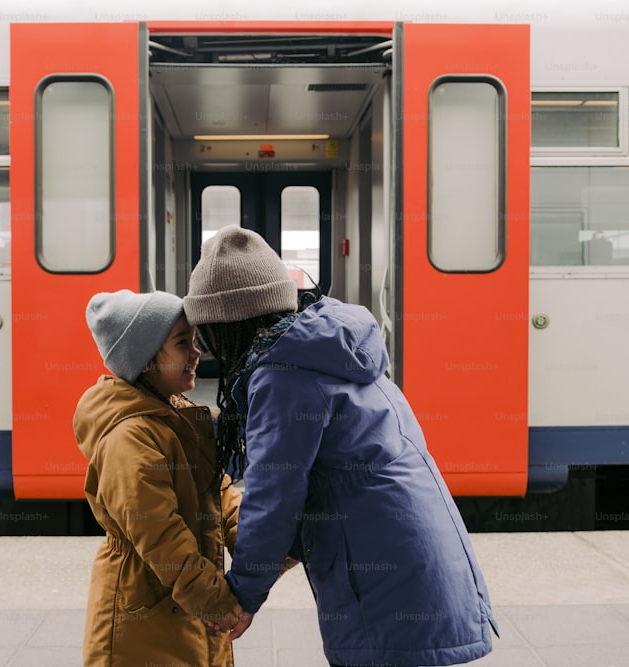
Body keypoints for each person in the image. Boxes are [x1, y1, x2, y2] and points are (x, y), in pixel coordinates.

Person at [184, 227, 499, 667]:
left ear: (230, 324)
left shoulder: (285, 375)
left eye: (207, 332)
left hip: (384, 576)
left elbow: (273, 494)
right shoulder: (331, 346)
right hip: (414, 555)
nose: (203, 346)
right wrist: (289, 551)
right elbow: (331, 469)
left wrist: (243, 593)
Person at [74, 288, 247, 667]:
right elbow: (159, 533)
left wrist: (258, 536)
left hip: (180, 603)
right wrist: (217, 601)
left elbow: (215, 492)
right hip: (141, 618)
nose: (196, 354)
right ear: (147, 360)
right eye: (182, 344)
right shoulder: (129, 437)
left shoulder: (175, 415)